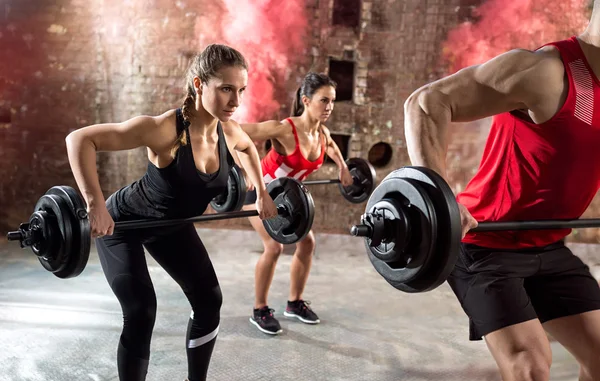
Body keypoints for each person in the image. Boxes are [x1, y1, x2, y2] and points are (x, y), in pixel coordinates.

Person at [404, 4, 600, 381]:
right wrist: (438, 196)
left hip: (550, 246)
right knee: (530, 366)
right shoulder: (547, 72)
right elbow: (427, 104)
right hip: (485, 245)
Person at [65, 44, 278, 381]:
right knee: (141, 311)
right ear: (198, 84)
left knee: (209, 303)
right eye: (225, 89)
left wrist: (262, 191)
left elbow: (248, 148)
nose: (235, 101)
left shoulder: (228, 130)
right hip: (125, 225)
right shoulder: (165, 129)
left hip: (172, 226)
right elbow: (79, 140)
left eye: (240, 90)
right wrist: (96, 205)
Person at [236, 72, 354, 335]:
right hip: (259, 194)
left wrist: (343, 167)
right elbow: (238, 134)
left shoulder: (321, 133)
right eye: (324, 100)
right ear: (306, 100)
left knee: (308, 242)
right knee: (274, 247)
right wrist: (242, 172)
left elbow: (332, 146)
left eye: (332, 101)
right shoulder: (284, 129)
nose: (329, 107)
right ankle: (259, 309)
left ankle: (294, 303)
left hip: (286, 200)